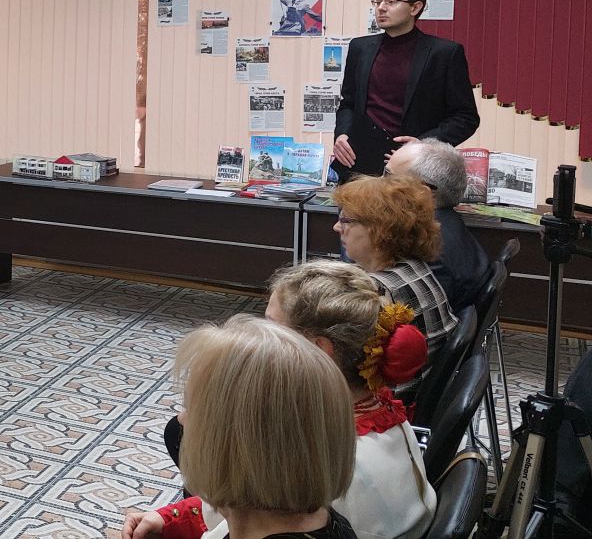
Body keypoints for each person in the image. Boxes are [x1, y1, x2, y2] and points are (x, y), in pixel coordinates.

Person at [140, 262, 436, 539]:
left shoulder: (318, 457)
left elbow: (239, 519)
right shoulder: (378, 412)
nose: (259, 335)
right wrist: (170, 516)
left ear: (316, 350)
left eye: (271, 325)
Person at [122, 316, 358, 539]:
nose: (181, 419)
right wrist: (170, 520)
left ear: (234, 449)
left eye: (191, 409)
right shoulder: (319, 519)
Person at [332, 0, 479, 177]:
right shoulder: (360, 48)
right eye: (377, 1)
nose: (381, 8)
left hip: (414, 170)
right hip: (358, 164)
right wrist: (342, 134)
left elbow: (465, 117)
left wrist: (424, 145)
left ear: (415, 8)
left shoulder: (444, 53)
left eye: (391, 1)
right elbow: (348, 103)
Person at [333, 175, 459, 395]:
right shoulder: (415, 268)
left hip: (390, 404)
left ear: (380, 229)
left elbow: (338, 365)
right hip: (415, 397)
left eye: (346, 220)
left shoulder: (379, 291)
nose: (337, 227)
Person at [385, 139, 489, 310]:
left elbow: (406, 314)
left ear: (422, 192)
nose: (379, 183)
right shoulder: (449, 222)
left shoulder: (424, 245)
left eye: (389, 176)